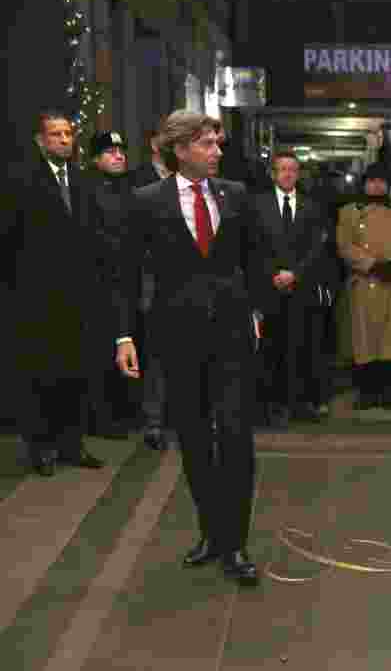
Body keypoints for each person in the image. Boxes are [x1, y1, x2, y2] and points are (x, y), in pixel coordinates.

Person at [115, 110, 270, 585]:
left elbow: (256, 259)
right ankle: (211, 533)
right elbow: (125, 275)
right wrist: (125, 336)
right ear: (179, 150)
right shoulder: (145, 201)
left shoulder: (236, 195)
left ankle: (236, 544)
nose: (217, 151)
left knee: (237, 437)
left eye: (218, 143)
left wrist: (258, 312)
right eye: (207, 144)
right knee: (197, 440)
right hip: (177, 338)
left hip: (232, 336)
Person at [2, 109, 105, 476]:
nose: (64, 140)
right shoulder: (21, 180)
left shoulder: (82, 180)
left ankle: (71, 443)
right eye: (55, 134)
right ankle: (41, 447)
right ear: (40, 140)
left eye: (67, 134)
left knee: (76, 371)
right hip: (36, 297)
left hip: (78, 296)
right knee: (41, 373)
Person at [250, 150, 333, 426]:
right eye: (282, 169)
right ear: (273, 173)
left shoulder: (312, 206)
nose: (287, 174)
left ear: (298, 174)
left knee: (301, 347)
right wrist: (273, 274)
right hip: (268, 288)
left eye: (292, 169)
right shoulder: (257, 205)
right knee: (270, 349)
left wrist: (295, 274)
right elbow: (253, 247)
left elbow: (317, 248)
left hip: (301, 287)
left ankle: (299, 403)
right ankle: (272, 405)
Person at [335, 163, 391, 412]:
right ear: (363, 183)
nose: (376, 185)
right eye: (371, 181)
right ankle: (366, 392)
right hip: (364, 283)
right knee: (364, 341)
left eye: (381, 181)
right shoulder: (349, 212)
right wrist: (370, 264)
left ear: (388, 185)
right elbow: (344, 245)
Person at [82, 130, 137, 438]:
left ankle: (122, 413)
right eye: (110, 152)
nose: (119, 156)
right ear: (95, 159)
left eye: (121, 151)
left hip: (128, 278)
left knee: (127, 344)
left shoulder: (130, 187)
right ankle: (101, 417)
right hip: (100, 281)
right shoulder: (88, 190)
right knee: (103, 350)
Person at [127, 120, 174, 450]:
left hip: (190, 284)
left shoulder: (196, 180)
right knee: (156, 355)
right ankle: (154, 421)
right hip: (154, 283)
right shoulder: (138, 184)